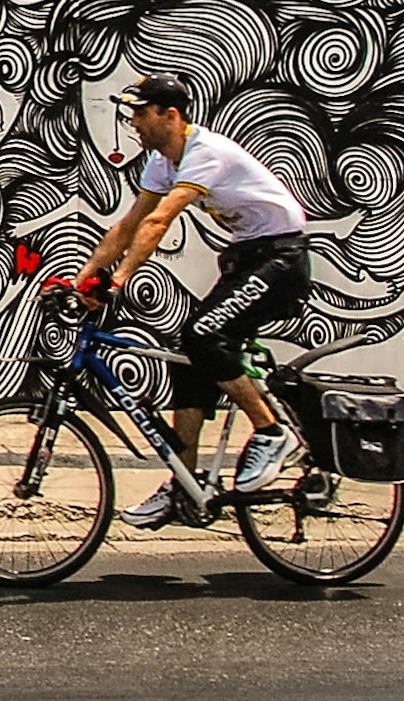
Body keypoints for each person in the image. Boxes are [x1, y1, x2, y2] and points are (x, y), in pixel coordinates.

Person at [71, 73, 308, 524]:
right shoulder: (164, 162)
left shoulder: (205, 154)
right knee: (191, 353)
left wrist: (117, 281)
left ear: (170, 115)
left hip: (281, 259)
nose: (133, 123)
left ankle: (272, 431)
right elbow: (128, 225)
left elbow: (159, 222)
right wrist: (83, 278)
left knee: (204, 335)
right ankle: (186, 484)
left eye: (140, 113)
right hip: (247, 258)